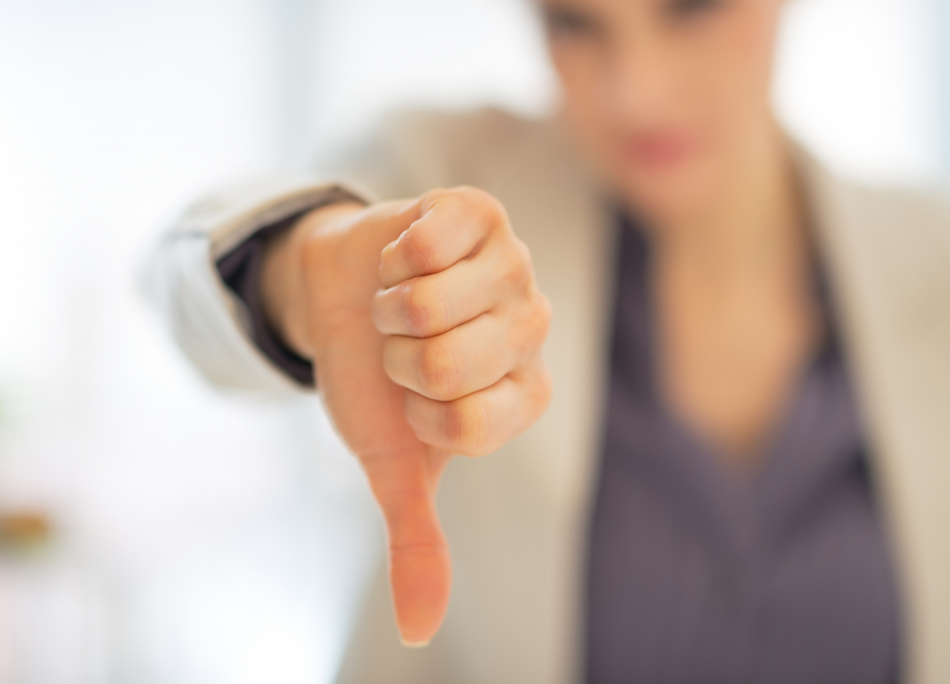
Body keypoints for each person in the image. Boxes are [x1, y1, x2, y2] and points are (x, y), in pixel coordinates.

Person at [146, 0, 950, 682]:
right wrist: (305, 269)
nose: (636, 92)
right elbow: (183, 283)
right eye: (575, 25)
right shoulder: (446, 182)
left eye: (692, 8)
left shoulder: (933, 261)